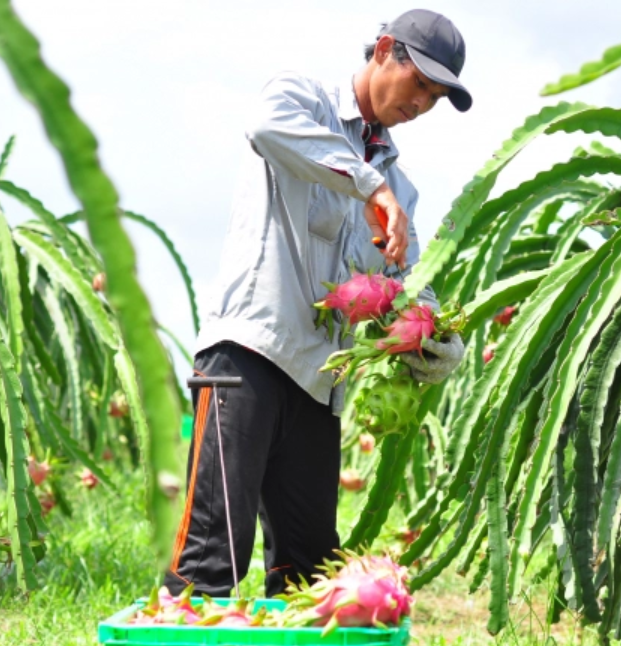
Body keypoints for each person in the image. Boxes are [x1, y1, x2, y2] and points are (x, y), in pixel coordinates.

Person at [164, 9, 471, 599]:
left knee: (308, 576)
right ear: (384, 50)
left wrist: (438, 337)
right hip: (247, 356)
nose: (422, 106)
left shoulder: (400, 189)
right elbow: (264, 127)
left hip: (318, 385)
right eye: (420, 86)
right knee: (209, 559)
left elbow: (407, 280)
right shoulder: (301, 100)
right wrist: (365, 183)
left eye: (435, 98)